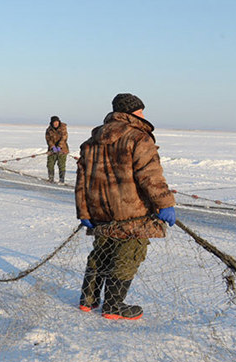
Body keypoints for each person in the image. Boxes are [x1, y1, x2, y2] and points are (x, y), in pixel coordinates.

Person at [74, 93, 176, 320]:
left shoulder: (91, 142)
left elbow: (82, 181)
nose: (143, 115)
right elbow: (150, 175)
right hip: (132, 213)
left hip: (100, 212)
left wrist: (84, 212)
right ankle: (113, 307)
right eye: (140, 111)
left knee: (101, 253)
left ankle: (87, 301)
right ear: (130, 113)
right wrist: (164, 203)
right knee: (127, 256)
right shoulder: (138, 138)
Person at [45, 116, 69, 183]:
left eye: (57, 122)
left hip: (62, 149)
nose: (55, 124)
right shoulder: (48, 130)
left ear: (59, 122)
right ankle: (51, 178)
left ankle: (61, 180)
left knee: (61, 165)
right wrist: (52, 147)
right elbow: (48, 139)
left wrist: (59, 146)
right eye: (54, 122)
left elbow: (64, 138)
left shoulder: (63, 128)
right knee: (50, 164)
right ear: (52, 123)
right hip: (52, 150)